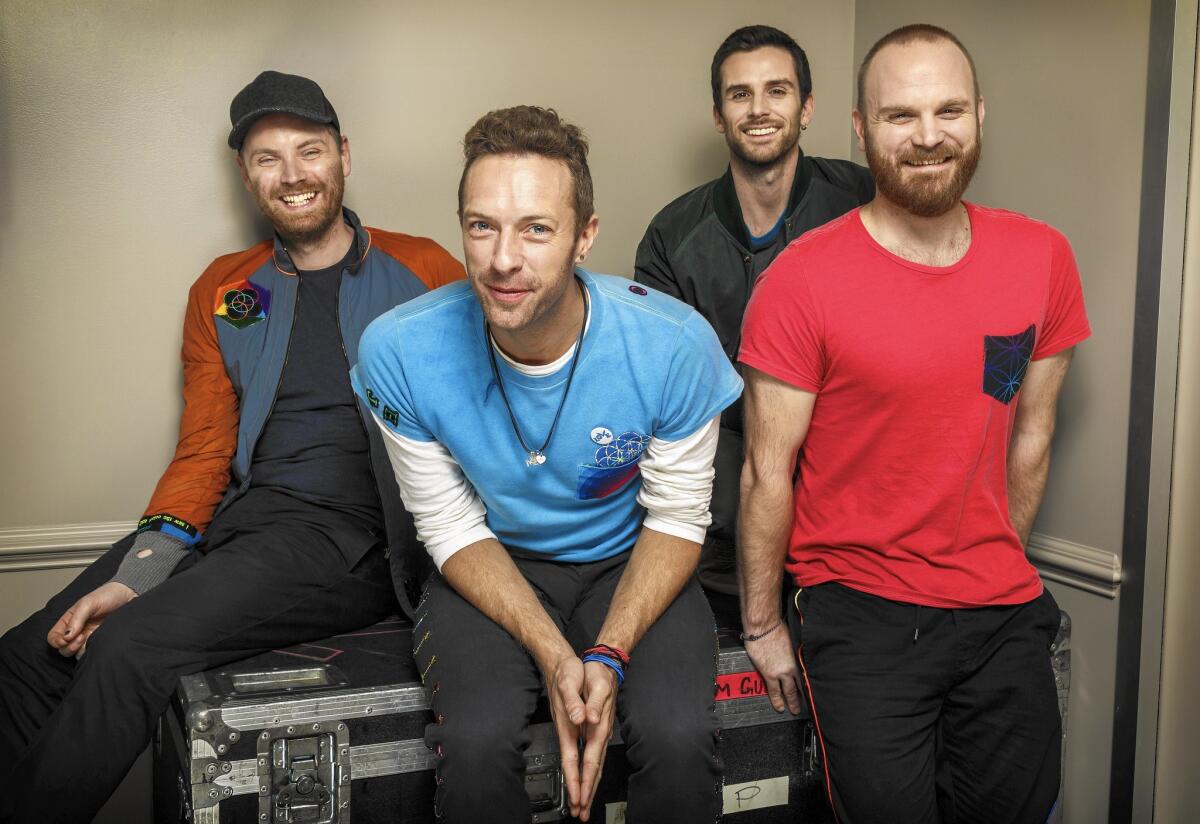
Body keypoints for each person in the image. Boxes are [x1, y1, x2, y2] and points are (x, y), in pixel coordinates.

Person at [0, 70, 464, 823]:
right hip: (238, 524)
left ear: (343, 156)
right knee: (28, 658)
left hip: (349, 539)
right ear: (247, 176)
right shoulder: (224, 290)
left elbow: (483, 414)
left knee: (131, 648)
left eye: (309, 151)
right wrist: (141, 574)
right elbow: (205, 450)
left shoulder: (426, 270)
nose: (292, 175)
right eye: (266, 158)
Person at [738, 24, 1090, 824]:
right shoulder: (802, 280)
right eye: (900, 116)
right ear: (861, 131)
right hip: (859, 610)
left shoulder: (1042, 259)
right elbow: (767, 469)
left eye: (949, 110)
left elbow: (1031, 430)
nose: (929, 136)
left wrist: (994, 552)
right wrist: (761, 623)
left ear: (979, 115)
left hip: (1002, 610)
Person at [353, 105, 742, 823]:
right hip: (491, 560)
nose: (503, 259)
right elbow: (446, 523)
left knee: (678, 739)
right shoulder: (397, 351)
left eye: (536, 228)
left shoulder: (674, 345)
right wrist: (556, 655)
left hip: (634, 559)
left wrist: (610, 654)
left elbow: (679, 516)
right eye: (482, 225)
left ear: (584, 236)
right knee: (472, 747)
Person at [634, 25, 874, 595]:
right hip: (723, 508)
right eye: (740, 94)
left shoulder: (865, 201)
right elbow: (668, 400)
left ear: (807, 106)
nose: (759, 109)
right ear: (719, 115)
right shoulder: (672, 235)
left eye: (777, 91)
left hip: (854, 494)